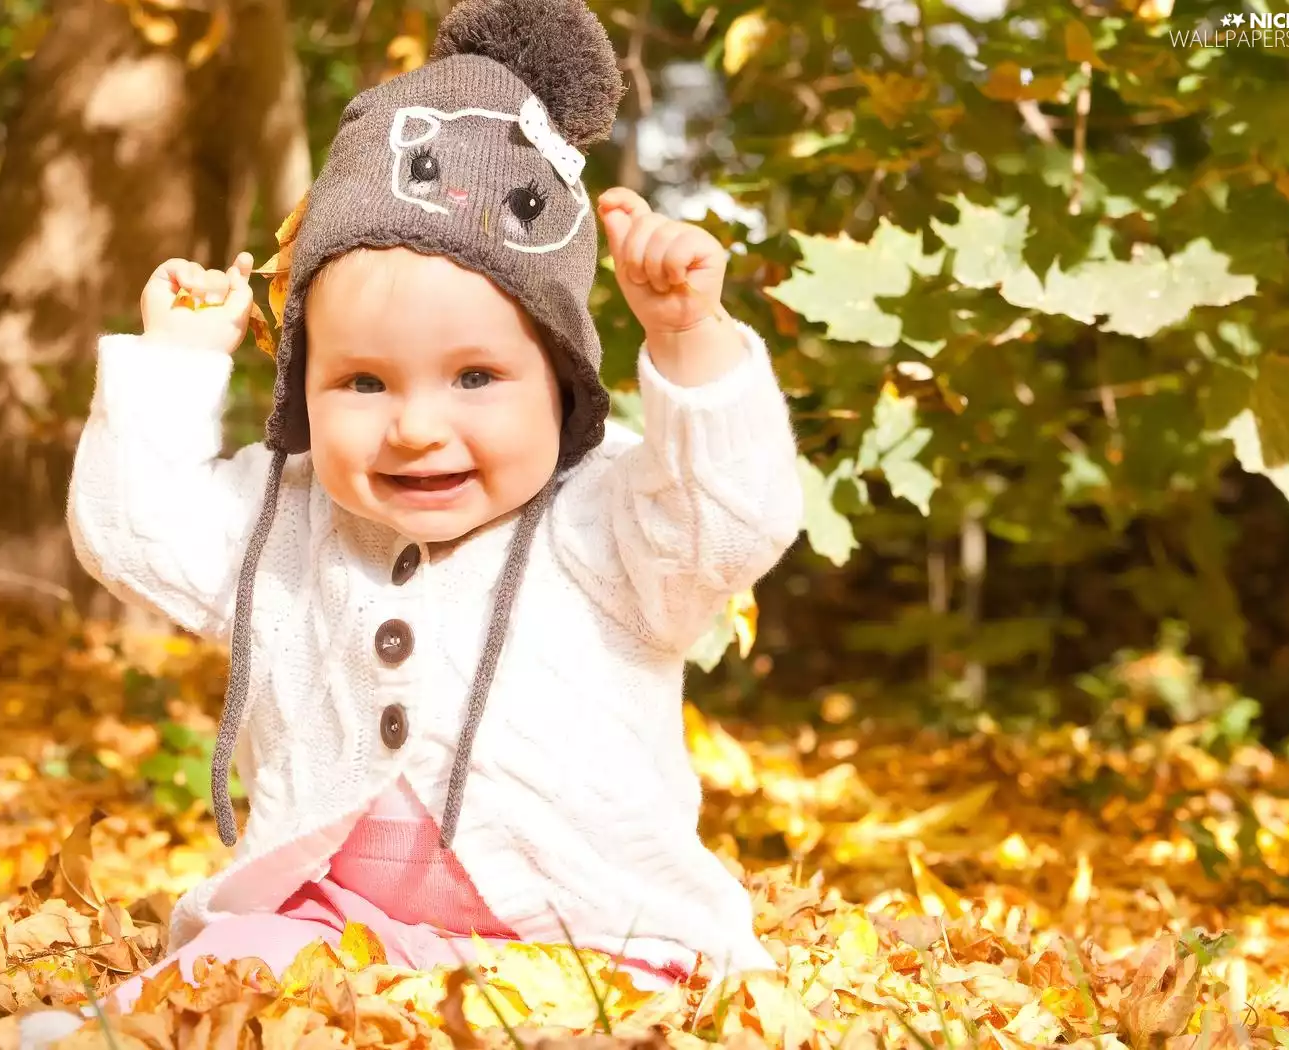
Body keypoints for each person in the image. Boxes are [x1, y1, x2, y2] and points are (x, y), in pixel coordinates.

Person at [63, 0, 803, 1015]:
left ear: (562, 381)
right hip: (331, 925)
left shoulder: (608, 514)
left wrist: (690, 345)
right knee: (209, 993)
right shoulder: (290, 524)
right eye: (363, 383)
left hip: (598, 931)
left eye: (474, 378)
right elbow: (134, 534)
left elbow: (733, 520)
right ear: (300, 388)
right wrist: (175, 364)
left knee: (610, 1027)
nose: (414, 427)